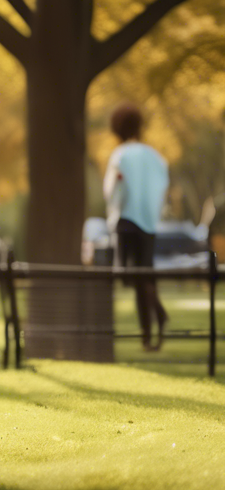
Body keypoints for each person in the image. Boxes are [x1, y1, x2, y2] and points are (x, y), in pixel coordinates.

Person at [103, 103, 169, 351]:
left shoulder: (120, 155)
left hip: (126, 220)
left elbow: (111, 193)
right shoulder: (156, 157)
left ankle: (152, 324)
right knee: (145, 276)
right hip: (149, 224)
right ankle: (149, 330)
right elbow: (162, 189)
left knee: (128, 275)